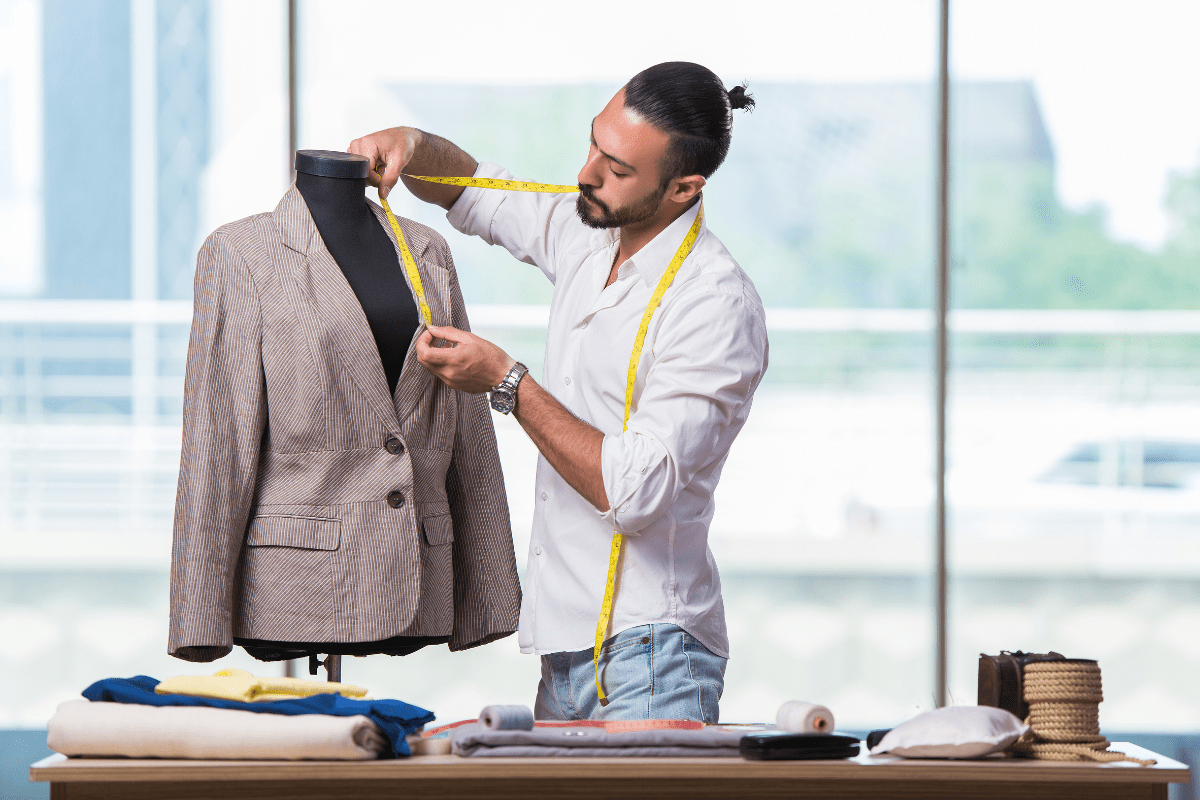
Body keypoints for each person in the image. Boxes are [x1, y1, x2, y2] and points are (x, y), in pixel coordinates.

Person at [349, 61, 768, 723]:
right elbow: (470, 192)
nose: (587, 175)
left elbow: (633, 490)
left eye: (618, 168)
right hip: (564, 657)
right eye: (594, 145)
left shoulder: (714, 305)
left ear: (684, 189)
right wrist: (412, 144)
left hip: (652, 657)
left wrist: (507, 383)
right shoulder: (590, 229)